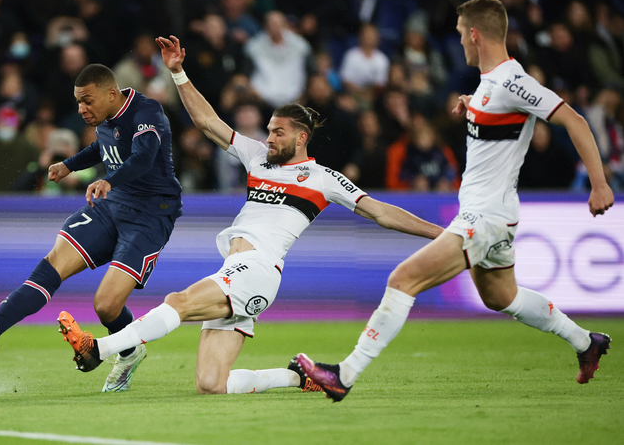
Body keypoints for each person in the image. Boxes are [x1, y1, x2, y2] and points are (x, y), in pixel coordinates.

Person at [54, 35, 443, 395]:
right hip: (239, 270)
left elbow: (381, 212)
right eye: (269, 130)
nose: (268, 137)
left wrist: (443, 235)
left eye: (277, 133)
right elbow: (208, 122)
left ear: (301, 138)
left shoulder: (324, 178)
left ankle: (100, 348)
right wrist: (178, 72)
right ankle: (299, 376)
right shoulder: (258, 157)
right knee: (212, 384)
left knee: (180, 300)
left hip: (258, 267)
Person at [296, 0, 615, 403]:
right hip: (496, 215)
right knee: (501, 296)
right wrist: (472, 109)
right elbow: (502, 121)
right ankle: (586, 341)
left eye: (463, 33)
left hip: (484, 218)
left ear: (476, 34)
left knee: (402, 280)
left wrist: (599, 183)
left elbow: (574, 119)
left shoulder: (512, 83)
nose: (460, 40)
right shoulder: (489, 86)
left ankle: (344, 373)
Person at [0, 64, 183, 393]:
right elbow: (102, 148)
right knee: (54, 262)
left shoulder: (146, 110)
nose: (81, 109)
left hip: (150, 214)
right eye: (78, 102)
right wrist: (69, 164)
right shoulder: (106, 119)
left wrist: (108, 179)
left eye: (87, 101)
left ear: (111, 94)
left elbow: (144, 156)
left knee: (106, 305)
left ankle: (129, 351)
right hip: (112, 206)